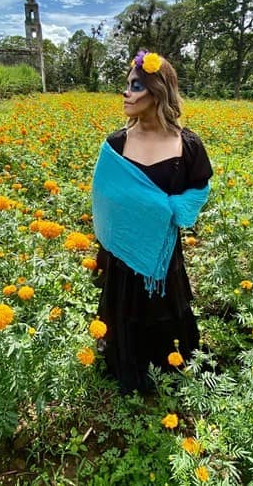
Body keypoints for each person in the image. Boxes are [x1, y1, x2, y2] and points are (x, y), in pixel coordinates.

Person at [91, 49, 213, 395]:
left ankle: (169, 369)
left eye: (136, 86)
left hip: (162, 255)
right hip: (122, 251)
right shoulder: (116, 144)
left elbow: (200, 187)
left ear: (158, 92)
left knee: (164, 314)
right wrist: (142, 210)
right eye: (127, 85)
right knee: (125, 310)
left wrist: (171, 210)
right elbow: (104, 198)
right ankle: (128, 369)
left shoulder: (186, 144)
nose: (126, 93)